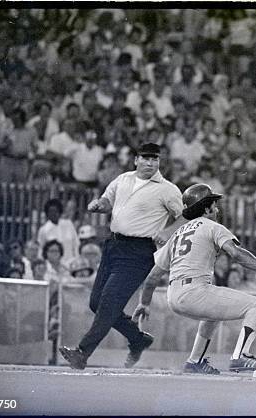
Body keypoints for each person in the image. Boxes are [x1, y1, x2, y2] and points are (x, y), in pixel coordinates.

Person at [132, 183, 256, 374]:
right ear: (206, 209)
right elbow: (236, 254)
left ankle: (194, 361)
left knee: (213, 314)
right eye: (213, 204)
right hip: (195, 291)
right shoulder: (212, 226)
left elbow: (152, 277)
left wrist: (144, 303)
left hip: (174, 296)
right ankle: (241, 356)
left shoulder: (178, 234)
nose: (217, 208)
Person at [58, 142, 184, 370]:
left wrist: (166, 231)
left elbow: (184, 216)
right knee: (96, 303)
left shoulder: (167, 189)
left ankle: (82, 353)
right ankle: (137, 338)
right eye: (145, 158)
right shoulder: (123, 179)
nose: (150, 162)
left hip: (139, 251)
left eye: (154, 159)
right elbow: (109, 201)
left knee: (108, 303)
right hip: (113, 245)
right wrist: (99, 205)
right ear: (135, 159)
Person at [37, 198, 80, 267]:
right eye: (50, 211)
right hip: (52, 266)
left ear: (60, 212)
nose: (53, 214)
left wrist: (77, 261)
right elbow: (41, 250)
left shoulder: (69, 224)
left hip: (71, 264)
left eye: (56, 211)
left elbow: (76, 245)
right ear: (47, 213)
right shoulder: (44, 230)